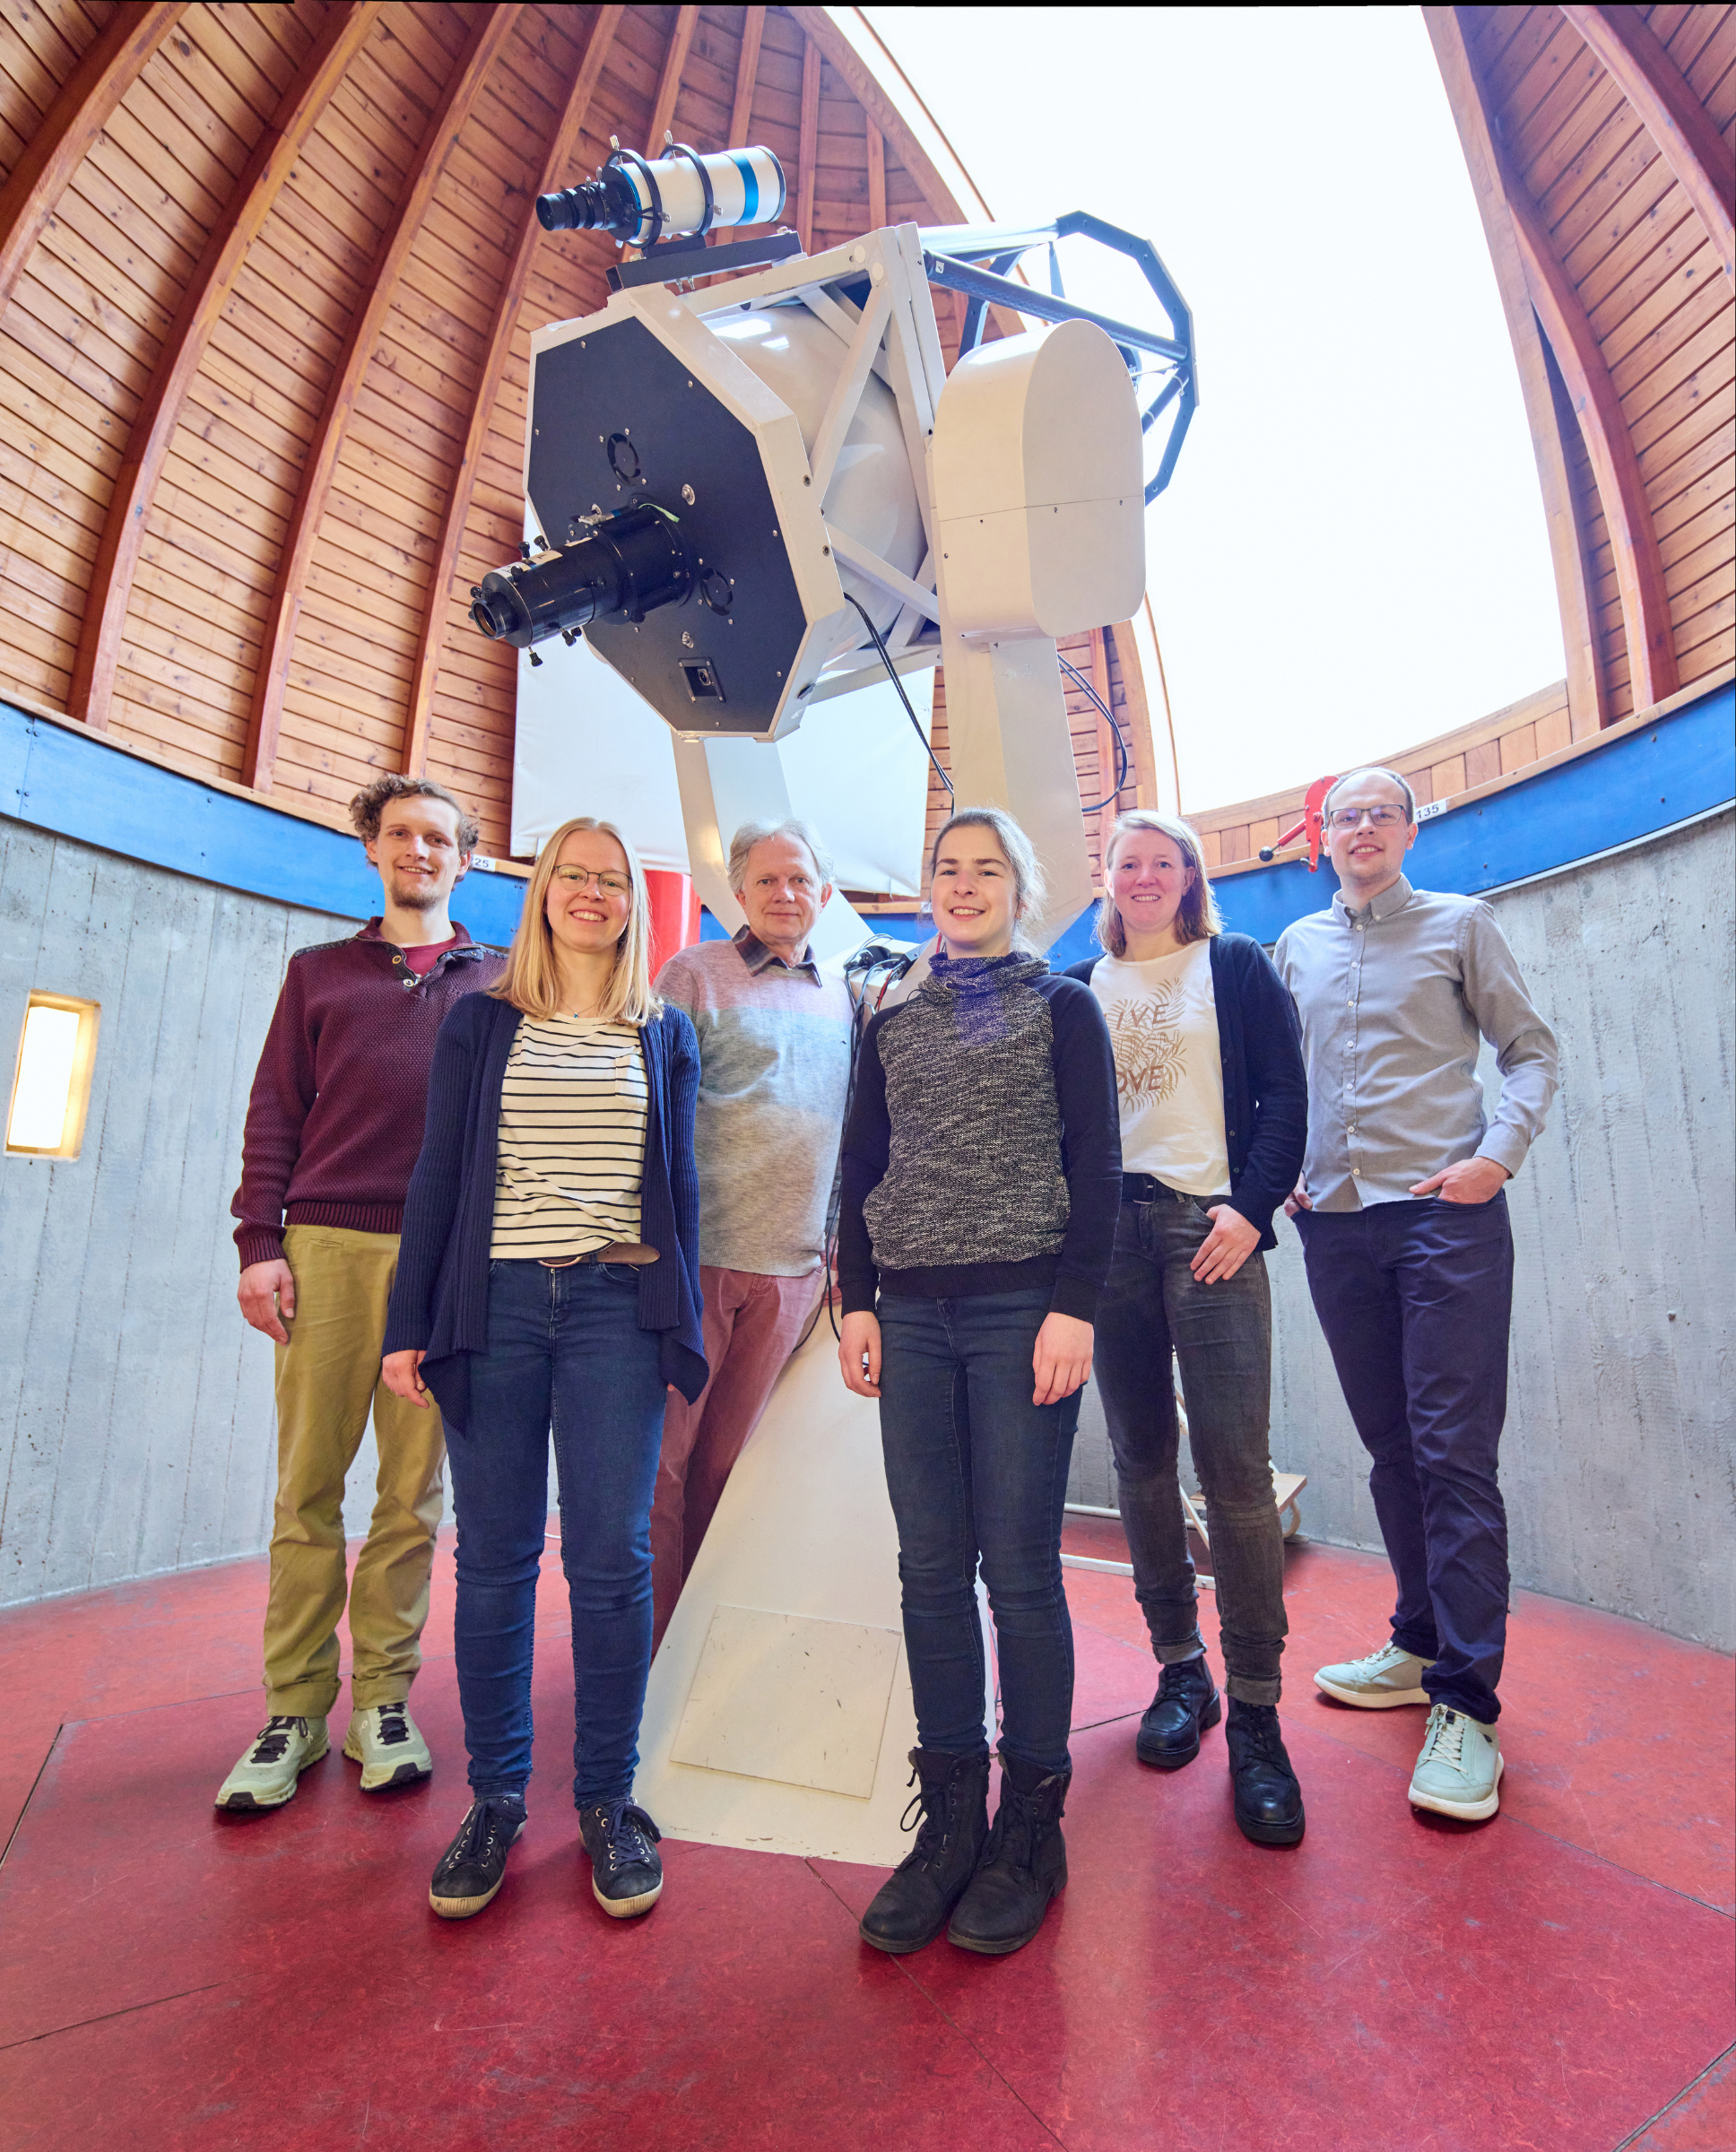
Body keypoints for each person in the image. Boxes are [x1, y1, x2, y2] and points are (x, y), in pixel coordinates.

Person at [380, 816, 703, 1922]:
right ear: (541, 891)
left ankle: (610, 1799)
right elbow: (437, 1179)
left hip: (617, 1308)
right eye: (571, 874)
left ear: (633, 902)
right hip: (498, 1309)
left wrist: (680, 1319)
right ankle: (498, 1799)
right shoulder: (482, 1025)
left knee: (611, 1560)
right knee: (498, 1562)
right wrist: (405, 1323)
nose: (590, 892)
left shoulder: (662, 1033)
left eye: (611, 880)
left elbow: (683, 1191)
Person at [838, 807, 1120, 1958]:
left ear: (1019, 887)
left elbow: (1095, 1162)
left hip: (1020, 1313)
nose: (963, 887)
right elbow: (861, 1158)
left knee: (1017, 1569)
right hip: (908, 1309)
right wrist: (853, 1297)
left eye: (985, 870)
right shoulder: (889, 1010)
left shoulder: (1064, 1007)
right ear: (928, 889)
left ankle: (1031, 1830)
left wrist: (1074, 1308)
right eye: (946, 871)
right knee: (926, 1568)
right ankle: (950, 1821)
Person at [1274, 768, 1558, 1824]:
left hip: (1445, 1216)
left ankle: (1466, 1708)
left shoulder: (1460, 924)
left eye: (1380, 814)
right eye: (1344, 815)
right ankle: (1417, 1639)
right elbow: (1278, 1079)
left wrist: (1496, 1156)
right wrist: (1283, 1167)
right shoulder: (1294, 947)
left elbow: (1530, 1053)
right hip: (1335, 1226)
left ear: (1408, 830)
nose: (1361, 828)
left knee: (1451, 1454)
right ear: (1325, 835)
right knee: (1391, 1448)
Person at [218, 775, 500, 1812]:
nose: (418, 851)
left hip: (439, 1268)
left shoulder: (504, 984)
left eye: (438, 838)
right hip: (327, 1248)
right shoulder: (317, 975)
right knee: (306, 1492)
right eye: (399, 836)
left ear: (465, 858)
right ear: (372, 852)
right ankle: (291, 1712)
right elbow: (272, 1115)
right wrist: (260, 1243)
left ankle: (383, 1701)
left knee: (412, 1500)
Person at [1065, 811, 1309, 1846]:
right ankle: (1182, 1673)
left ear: (1189, 877)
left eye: (1163, 861)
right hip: (1108, 1236)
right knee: (1138, 1463)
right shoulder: (1076, 986)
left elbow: (1288, 1099)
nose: (1145, 875)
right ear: (1107, 881)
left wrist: (1249, 1213)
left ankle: (1257, 1711)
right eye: (1128, 863)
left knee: (1237, 1474)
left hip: (1208, 1228)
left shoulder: (1238, 964)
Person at [649, 819, 854, 1646]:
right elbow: (651, 1118)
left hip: (795, 1272)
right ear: (738, 892)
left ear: (826, 894)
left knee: (732, 1475)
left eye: (800, 880)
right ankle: (649, 1652)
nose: (785, 894)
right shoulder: (691, 976)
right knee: (660, 1472)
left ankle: (702, 1643)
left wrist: (839, 1250)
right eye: (766, 881)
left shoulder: (845, 995)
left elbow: (850, 1135)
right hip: (697, 1266)